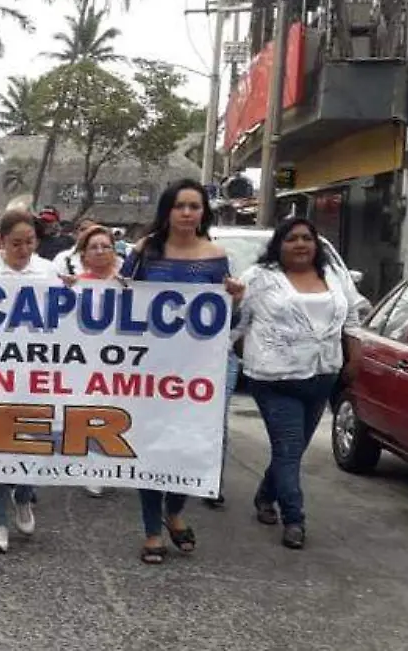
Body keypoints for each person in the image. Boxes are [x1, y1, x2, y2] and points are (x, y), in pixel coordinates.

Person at [120, 179, 243, 565]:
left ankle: (174, 511)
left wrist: (235, 300)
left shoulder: (217, 256)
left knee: (191, 446)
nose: (187, 213)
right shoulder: (144, 251)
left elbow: (228, 318)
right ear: (168, 210)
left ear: (204, 211)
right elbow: (116, 299)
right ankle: (152, 532)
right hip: (150, 369)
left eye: (194, 206)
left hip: (198, 375)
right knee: (151, 446)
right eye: (180, 206)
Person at [236, 218, 359, 550]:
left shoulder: (333, 276)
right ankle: (295, 519)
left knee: (292, 450)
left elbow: (352, 318)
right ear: (279, 244)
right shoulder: (259, 279)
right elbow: (237, 322)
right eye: (292, 239)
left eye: (307, 238)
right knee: (289, 450)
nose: (301, 244)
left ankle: (265, 496)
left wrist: (354, 357)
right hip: (275, 379)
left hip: (322, 375)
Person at [0, 209, 57, 553]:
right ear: (1, 242)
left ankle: (24, 495)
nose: (23, 249)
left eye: (29, 242)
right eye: (16, 243)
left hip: (36, 372)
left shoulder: (48, 271)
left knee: (32, 440)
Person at [62, 224, 121, 498]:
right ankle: (92, 467)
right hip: (84, 357)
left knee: (113, 410)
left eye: (105, 246)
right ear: (83, 255)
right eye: (93, 247)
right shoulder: (74, 285)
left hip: (120, 360)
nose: (100, 251)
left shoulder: (130, 282)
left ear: (114, 251)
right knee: (88, 410)